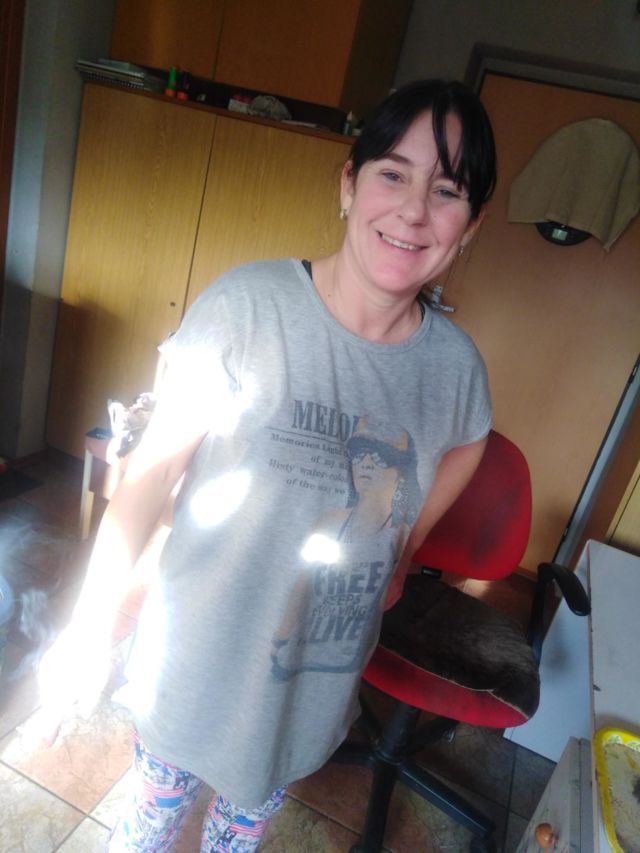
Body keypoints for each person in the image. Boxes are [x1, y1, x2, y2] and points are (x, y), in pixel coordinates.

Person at [35, 78, 497, 851]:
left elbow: (472, 438)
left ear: (470, 224)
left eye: (446, 190)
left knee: (238, 834)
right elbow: (147, 481)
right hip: (193, 658)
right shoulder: (247, 307)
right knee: (148, 825)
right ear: (348, 185)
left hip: (307, 683)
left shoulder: (455, 369)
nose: (414, 210)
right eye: (392, 173)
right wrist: (89, 630)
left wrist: (404, 548)